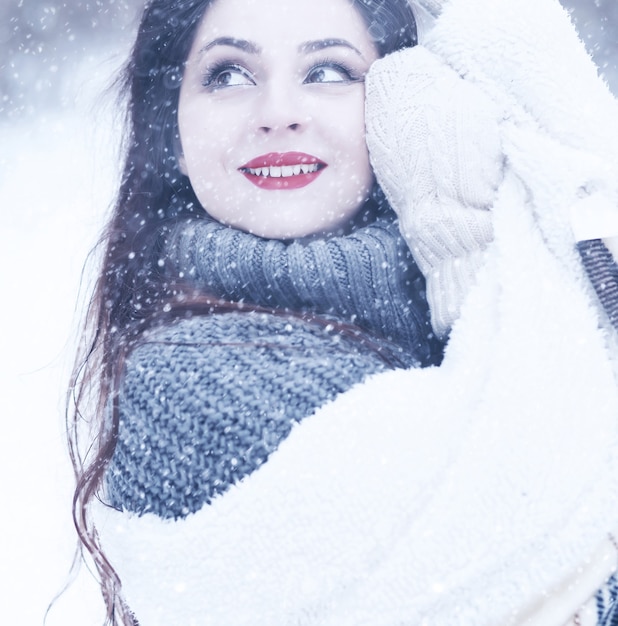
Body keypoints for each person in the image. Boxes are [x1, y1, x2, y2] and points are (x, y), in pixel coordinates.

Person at [68, 0, 618, 624]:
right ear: (174, 128)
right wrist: (468, 244)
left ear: (403, 97)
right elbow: (544, 529)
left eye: (327, 71)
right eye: (228, 74)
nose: (277, 114)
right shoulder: (188, 384)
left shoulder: (470, 319)